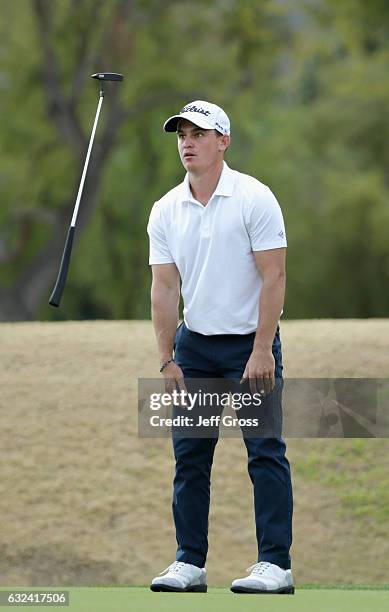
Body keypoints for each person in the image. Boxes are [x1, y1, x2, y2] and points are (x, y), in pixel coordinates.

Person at [147, 100, 294, 594]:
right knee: (189, 458)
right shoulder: (166, 209)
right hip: (195, 347)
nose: (187, 142)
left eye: (198, 133)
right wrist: (167, 357)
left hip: (249, 344)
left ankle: (275, 564)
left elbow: (274, 277)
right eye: (181, 134)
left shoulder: (254, 197)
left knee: (264, 453)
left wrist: (261, 349)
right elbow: (165, 289)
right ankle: (189, 562)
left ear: (223, 141)